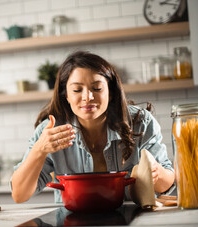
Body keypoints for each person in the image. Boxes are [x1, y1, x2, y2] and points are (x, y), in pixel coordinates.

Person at [11, 51, 175, 204]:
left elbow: (166, 185)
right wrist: (39, 149)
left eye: (97, 88)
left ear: (110, 91)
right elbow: (19, 195)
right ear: (66, 94)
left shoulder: (140, 121)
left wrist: (157, 173)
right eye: (77, 89)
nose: (87, 97)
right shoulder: (50, 131)